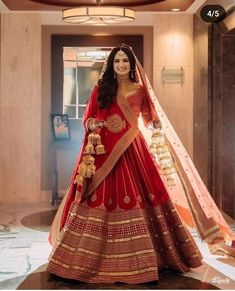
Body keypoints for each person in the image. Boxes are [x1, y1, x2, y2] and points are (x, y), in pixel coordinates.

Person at [47, 44, 234, 284]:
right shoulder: (101, 89)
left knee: (142, 196)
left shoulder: (140, 90)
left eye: (125, 61)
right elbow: (88, 118)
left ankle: (146, 262)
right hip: (104, 153)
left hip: (133, 151)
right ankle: (78, 261)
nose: (122, 65)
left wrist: (156, 124)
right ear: (112, 65)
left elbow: (148, 119)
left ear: (132, 65)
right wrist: (93, 124)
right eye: (117, 61)